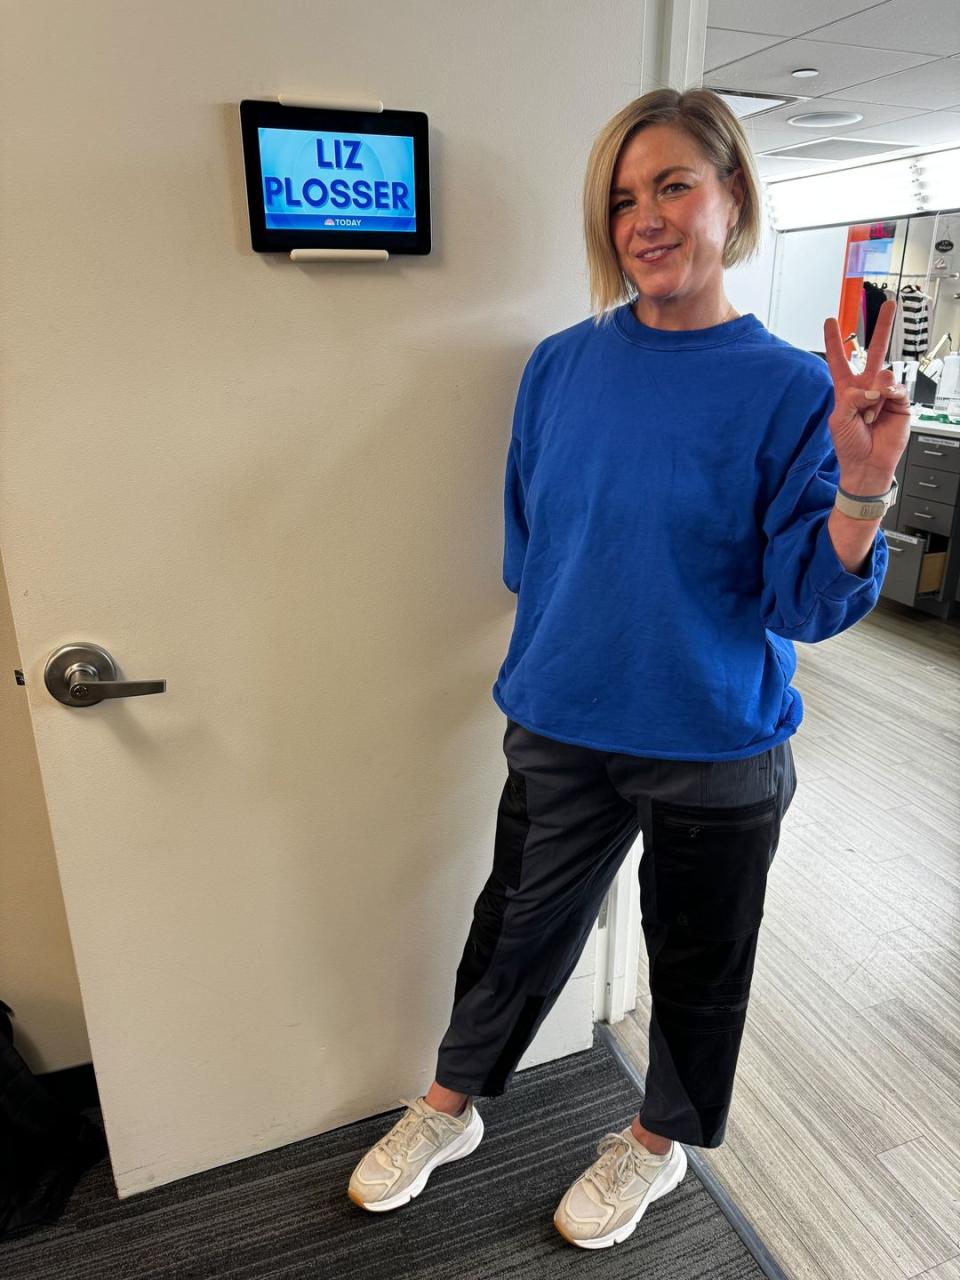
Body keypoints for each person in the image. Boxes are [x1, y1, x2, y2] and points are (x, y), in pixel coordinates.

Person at [347, 87, 910, 1249]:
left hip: (715, 738)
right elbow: (531, 542)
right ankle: (449, 1107)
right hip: (560, 718)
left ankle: (656, 1143)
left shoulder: (792, 389)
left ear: (732, 198)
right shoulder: (557, 366)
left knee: (699, 962)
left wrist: (860, 490)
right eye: (621, 198)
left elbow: (806, 597)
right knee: (512, 931)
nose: (645, 218)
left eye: (672, 185)